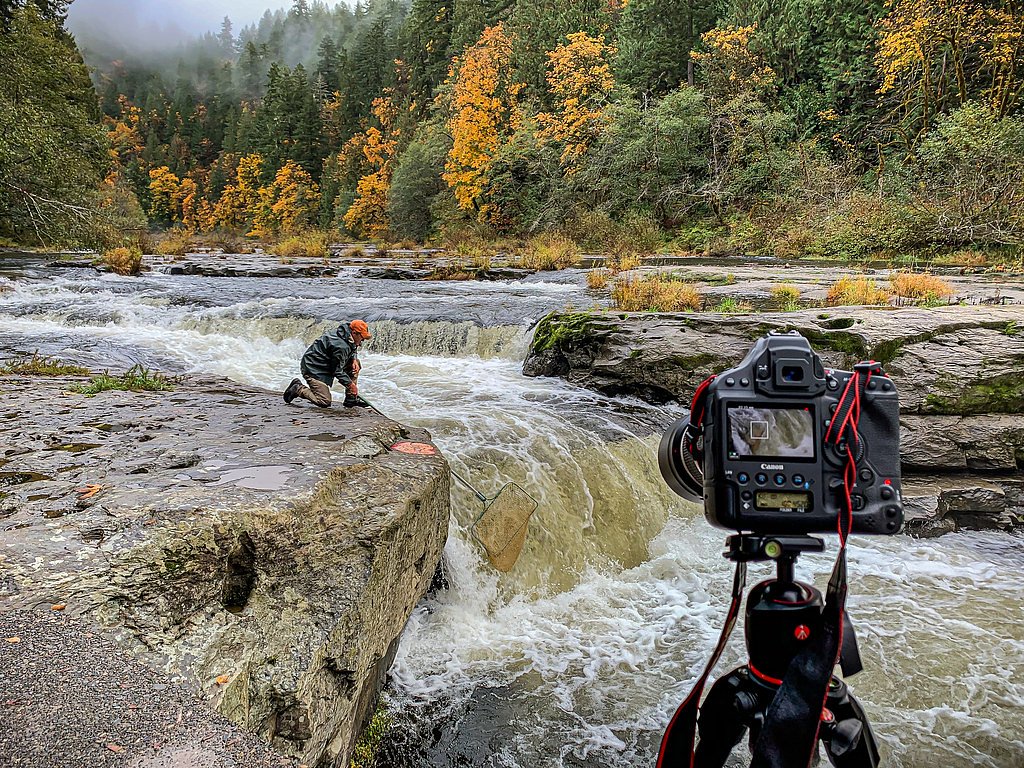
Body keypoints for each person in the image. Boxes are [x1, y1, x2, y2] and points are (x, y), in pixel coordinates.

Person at [283, 320, 372, 408]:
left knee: (356, 365)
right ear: (354, 332)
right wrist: (350, 385)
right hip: (313, 368)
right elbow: (337, 371)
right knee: (324, 401)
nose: (363, 340)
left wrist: (354, 359)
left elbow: (353, 346)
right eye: (362, 337)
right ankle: (298, 388)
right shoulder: (340, 346)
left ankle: (351, 399)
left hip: (327, 364)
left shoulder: (346, 333)